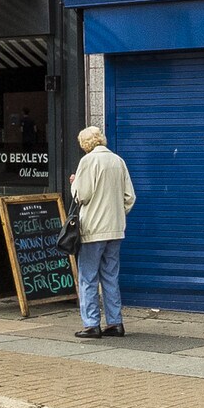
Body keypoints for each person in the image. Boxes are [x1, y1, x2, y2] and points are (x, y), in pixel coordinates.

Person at [70, 125, 136, 338]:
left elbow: (82, 195)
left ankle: (91, 324)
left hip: (93, 229)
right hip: (115, 229)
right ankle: (115, 323)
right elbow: (129, 197)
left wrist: (74, 183)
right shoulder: (118, 160)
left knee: (88, 277)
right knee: (110, 276)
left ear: (85, 143)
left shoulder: (88, 161)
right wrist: (118, 214)